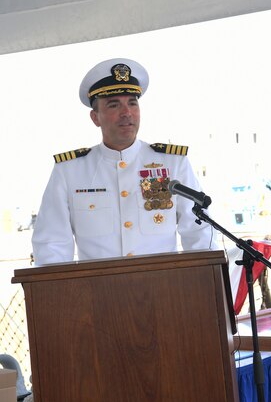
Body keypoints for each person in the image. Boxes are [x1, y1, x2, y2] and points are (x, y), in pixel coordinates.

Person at [32, 58, 218, 265]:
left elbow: (199, 231)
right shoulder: (69, 171)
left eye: (132, 103)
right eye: (114, 105)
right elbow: (52, 243)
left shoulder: (173, 164)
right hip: (96, 292)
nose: (126, 113)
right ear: (95, 117)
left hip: (165, 289)